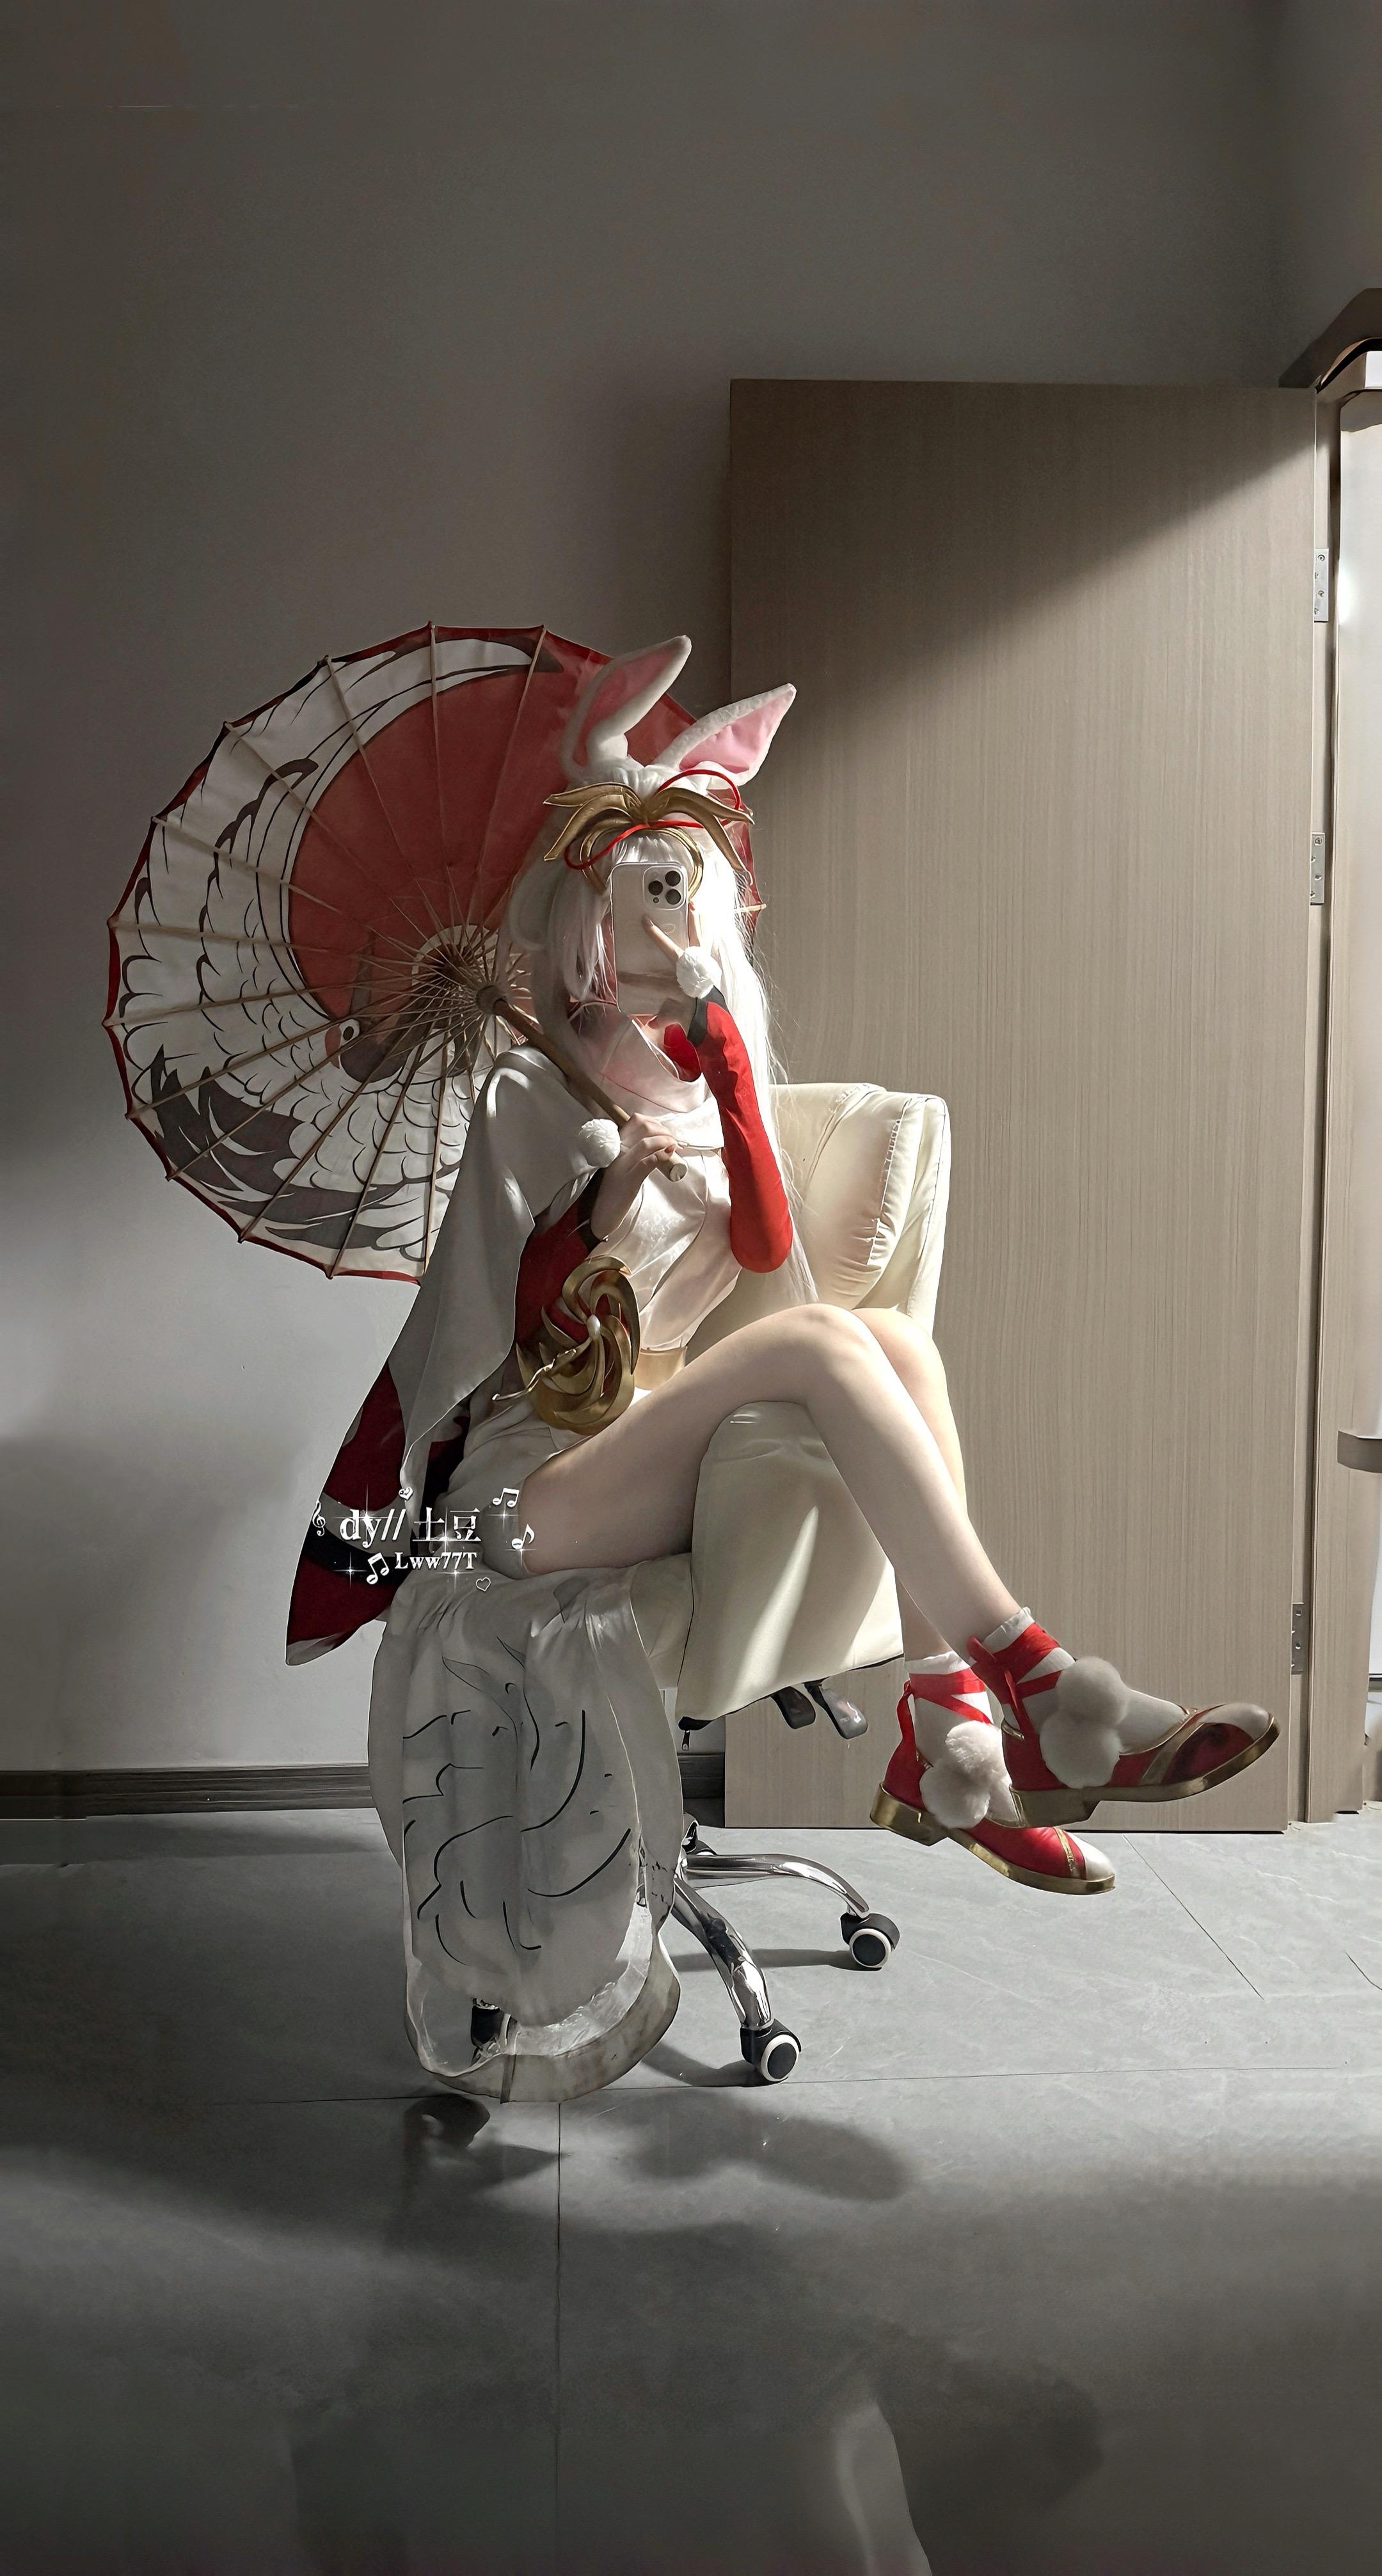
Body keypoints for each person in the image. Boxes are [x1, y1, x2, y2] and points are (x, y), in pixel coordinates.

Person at [290, 637, 1276, 2095]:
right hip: (519, 1497)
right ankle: (1034, 1685)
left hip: (650, 1451)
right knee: (830, 1340)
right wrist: (582, 1205)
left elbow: (769, 1262)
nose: (655, 951)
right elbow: (490, 1344)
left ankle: (948, 1721)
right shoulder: (524, 1097)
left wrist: (732, 1078)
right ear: (579, 938)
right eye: (629, 921)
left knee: (885, 1341)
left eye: (680, 913)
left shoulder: (699, 1092)